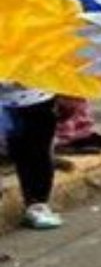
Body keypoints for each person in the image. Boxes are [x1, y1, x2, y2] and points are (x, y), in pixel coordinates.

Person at [1, 84, 62, 229]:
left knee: (38, 153)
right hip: (5, 100)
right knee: (22, 150)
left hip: (38, 97)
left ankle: (37, 204)